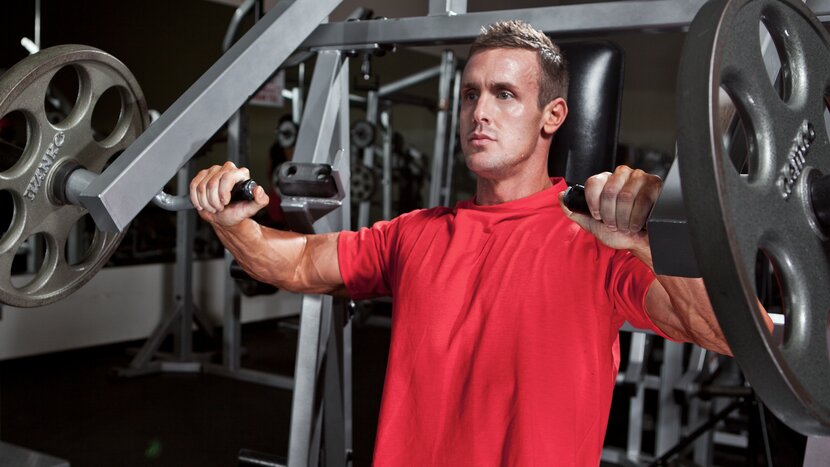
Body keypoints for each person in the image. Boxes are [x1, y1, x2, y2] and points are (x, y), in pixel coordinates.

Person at [191, 20, 732, 466]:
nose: (480, 112)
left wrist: (651, 242)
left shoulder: (597, 241)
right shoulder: (415, 232)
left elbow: (725, 333)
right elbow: (300, 262)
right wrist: (232, 221)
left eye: (505, 94)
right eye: (471, 93)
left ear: (553, 116)